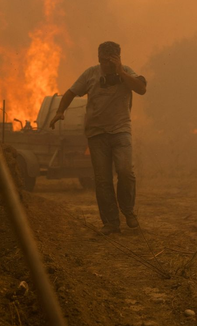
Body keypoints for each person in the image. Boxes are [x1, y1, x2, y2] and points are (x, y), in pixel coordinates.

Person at [50, 41, 147, 234]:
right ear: (98, 59)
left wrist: (120, 72)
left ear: (118, 59)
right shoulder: (91, 74)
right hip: (96, 134)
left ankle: (128, 211)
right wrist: (60, 111)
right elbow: (71, 92)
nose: (106, 65)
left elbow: (141, 89)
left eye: (110, 61)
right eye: (103, 61)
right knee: (102, 180)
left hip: (121, 131)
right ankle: (111, 223)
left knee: (125, 171)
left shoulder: (127, 72)